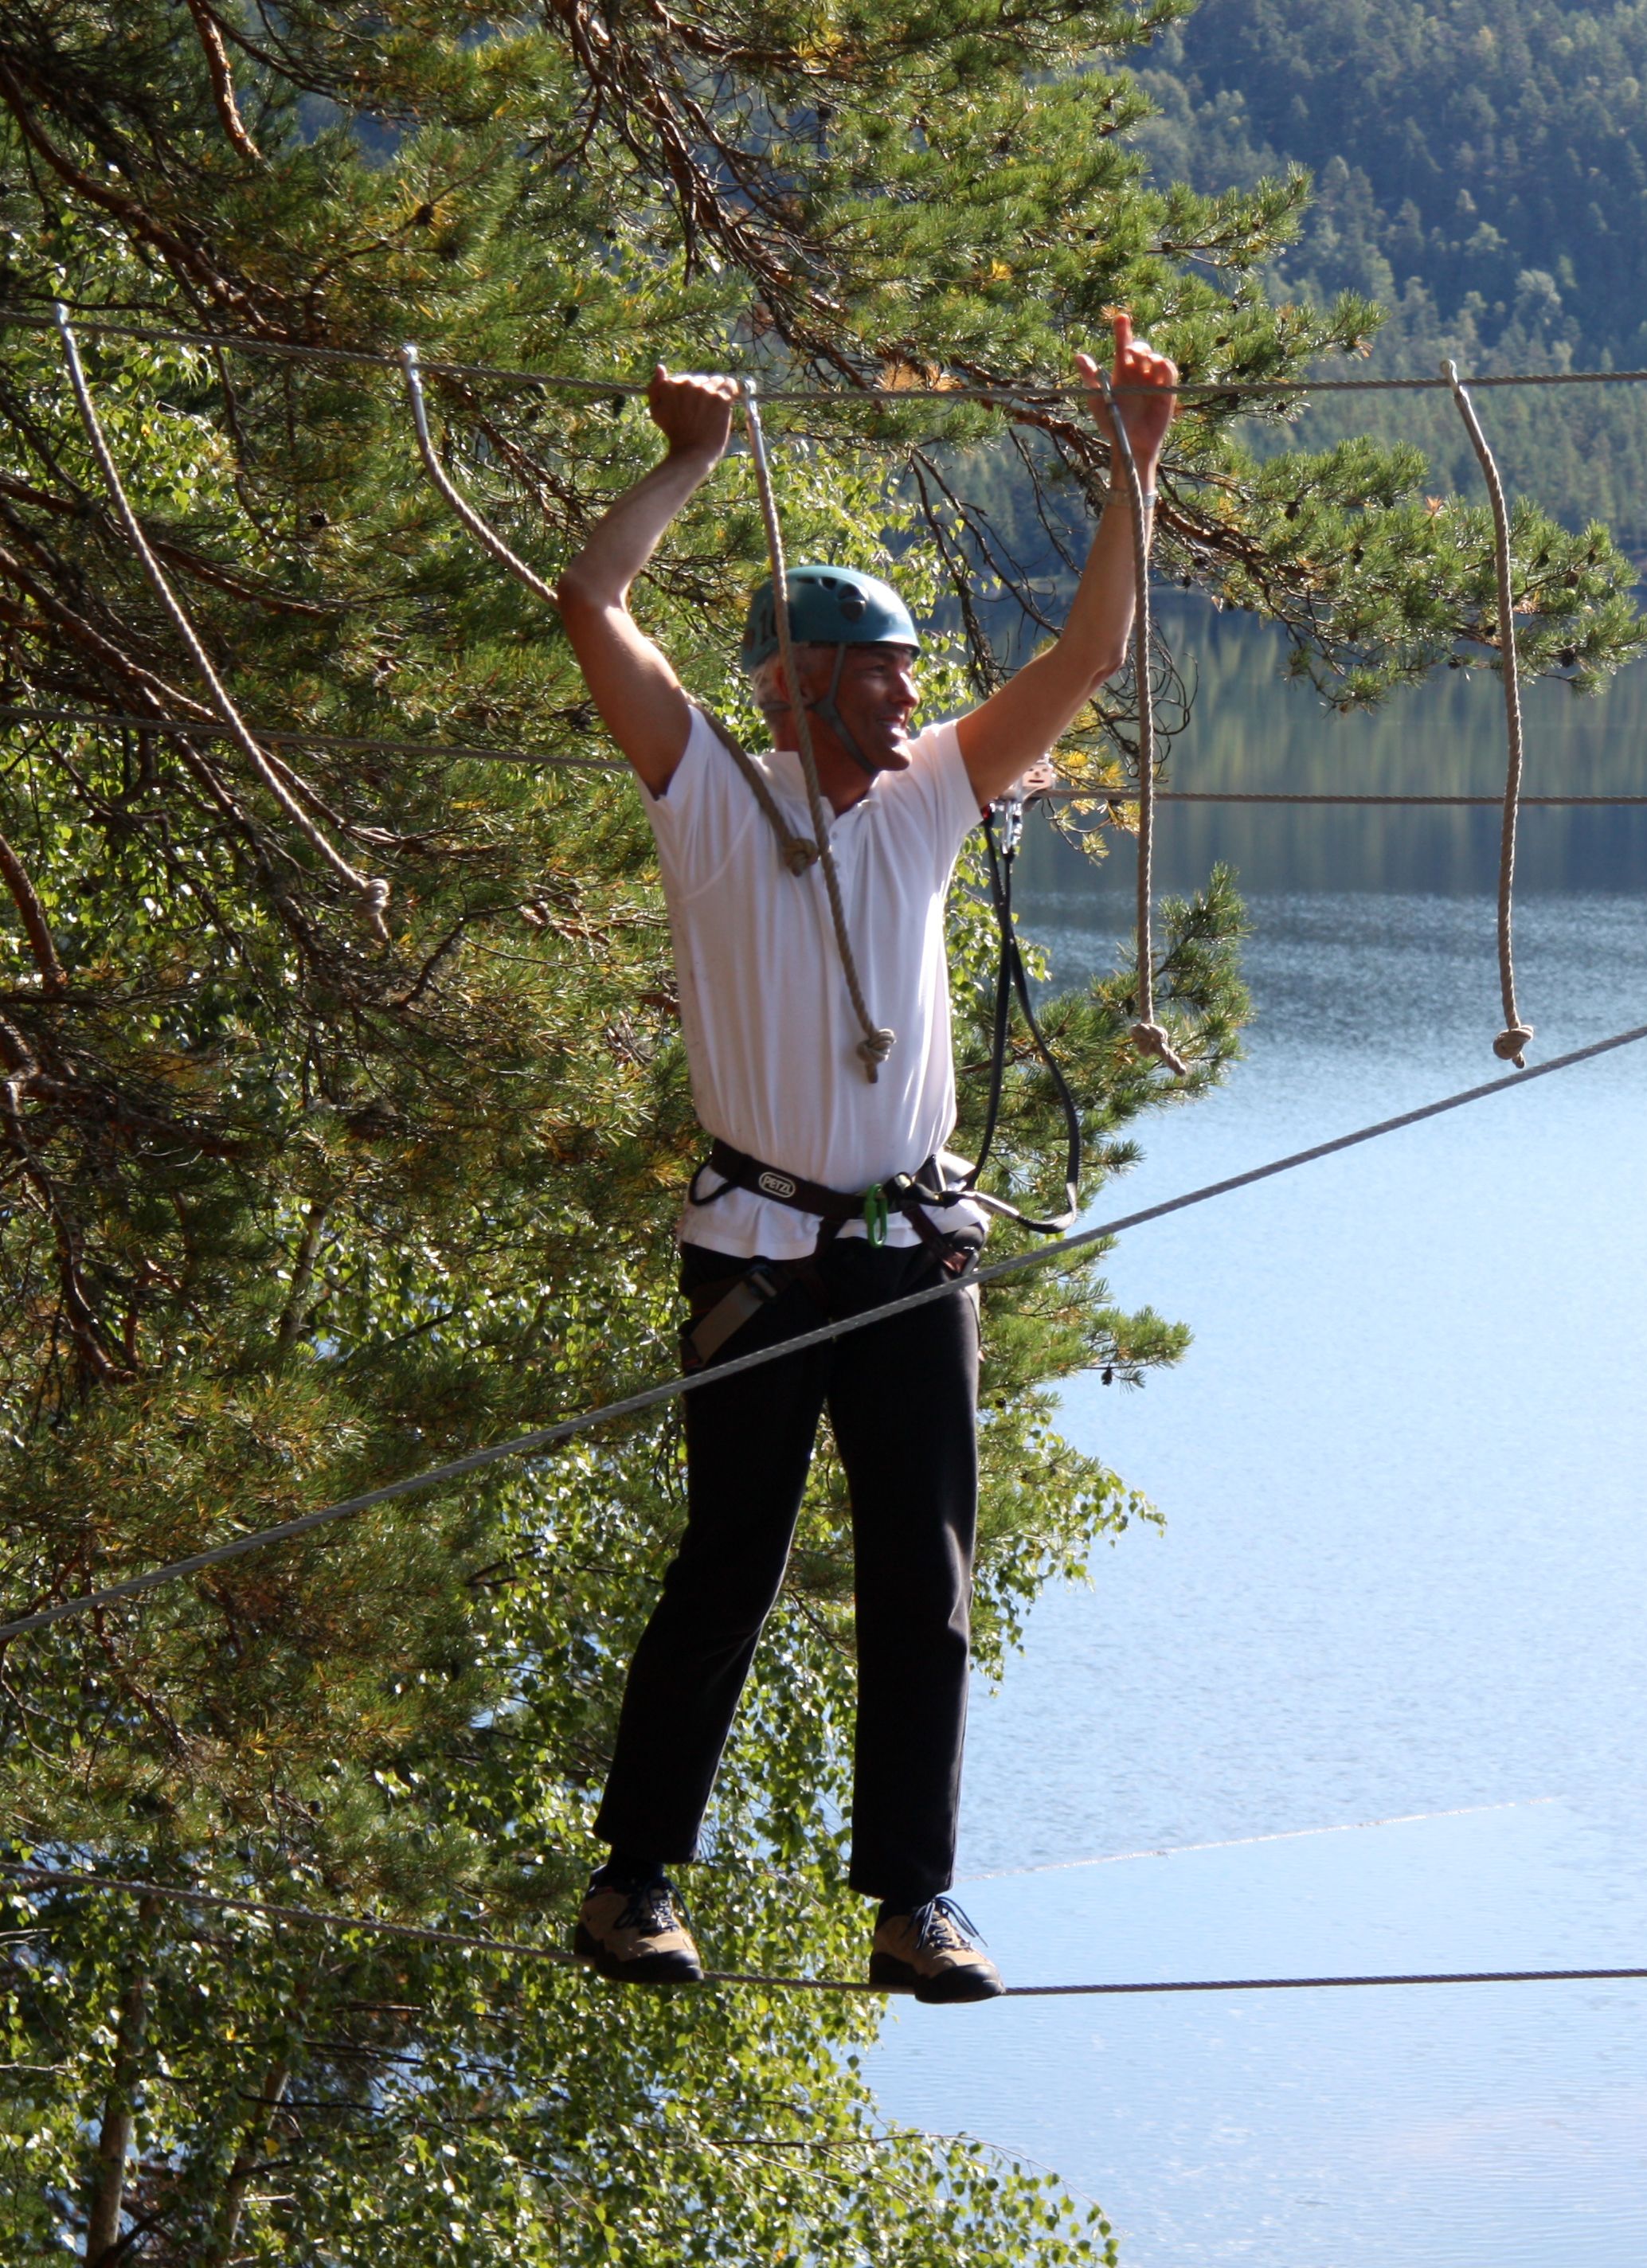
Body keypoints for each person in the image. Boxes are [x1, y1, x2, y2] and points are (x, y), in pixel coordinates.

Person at [550, 315, 1178, 2000]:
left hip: (907, 1250)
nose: (915, 694)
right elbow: (593, 611)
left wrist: (1132, 461)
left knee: (928, 1576)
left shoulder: (923, 800)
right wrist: (684, 461)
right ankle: (635, 1883)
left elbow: (1085, 659)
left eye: (911, 670)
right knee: (730, 1567)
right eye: (884, 670)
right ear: (800, 683)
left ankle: (915, 1901)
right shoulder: (709, 792)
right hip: (756, 1253)